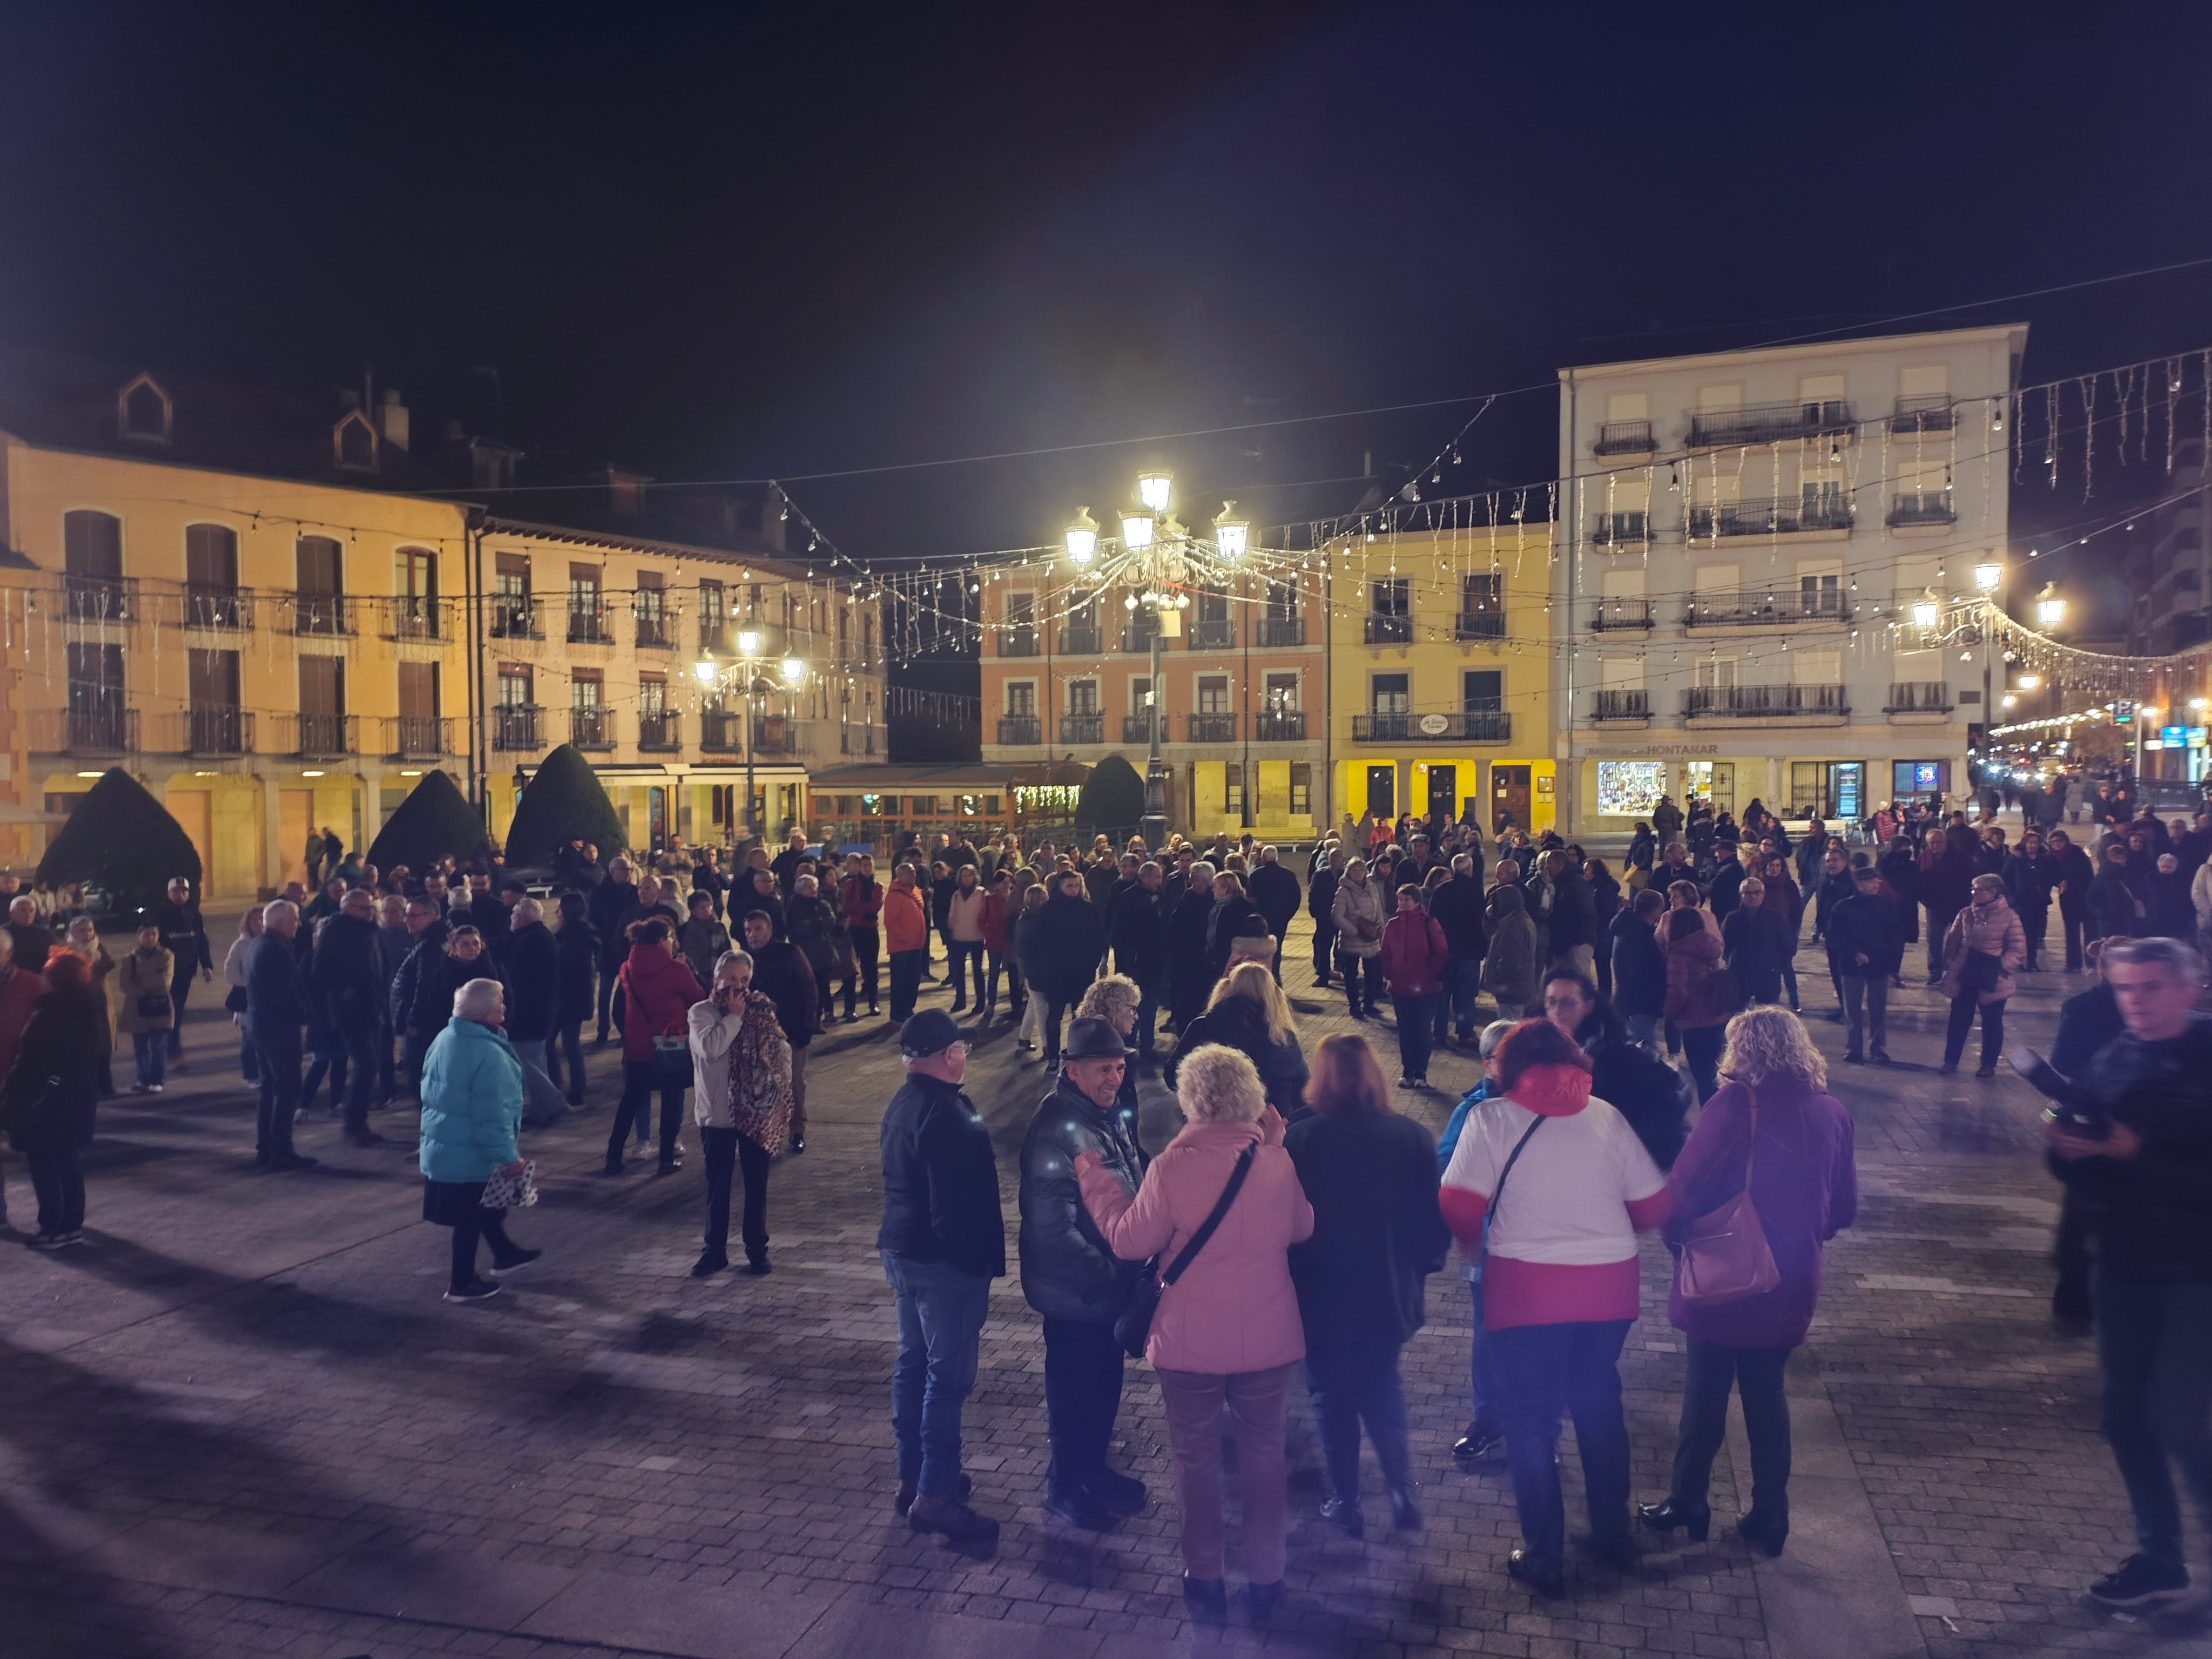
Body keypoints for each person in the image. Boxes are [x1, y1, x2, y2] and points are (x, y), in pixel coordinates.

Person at [1076, 1046, 1313, 1623]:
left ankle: (1204, 1578)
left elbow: (1131, 1242)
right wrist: (1275, 1151)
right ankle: (1266, 1577)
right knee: (1263, 1456)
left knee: (1196, 1460)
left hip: (1188, 1343)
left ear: (1190, 1100)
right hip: (1266, 1337)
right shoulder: (1276, 1163)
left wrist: (1095, 1183)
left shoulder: (1171, 1168)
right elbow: (1302, 1227)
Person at [1438, 1018, 1670, 1599]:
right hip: (1606, 1288)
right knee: (1597, 1404)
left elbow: (1459, 1203)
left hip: (1525, 1290)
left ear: (1506, 1067)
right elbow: (1650, 1207)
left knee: (1530, 1422)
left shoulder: (1489, 1120)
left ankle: (1544, 1555)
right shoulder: (1607, 1117)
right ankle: (1612, 1534)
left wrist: (1474, 1239)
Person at [1636, 1007, 1856, 1557]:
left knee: (1705, 1393)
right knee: (1767, 1396)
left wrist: (1679, 1239)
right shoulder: (1833, 1112)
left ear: (1744, 1051)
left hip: (1727, 1273)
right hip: (1790, 1277)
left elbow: (1683, 1187)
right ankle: (1769, 1515)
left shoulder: (1734, 1103)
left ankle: (1688, 1502)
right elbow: (1843, 1208)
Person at [2044, 938, 2212, 1610]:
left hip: (2194, 1270)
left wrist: (2133, 1151)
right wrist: (2067, 1144)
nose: (2134, 1001)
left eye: (2148, 987)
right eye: (2124, 988)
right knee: (2122, 1415)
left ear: (2189, 988)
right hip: (2120, 1260)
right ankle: (2159, 1557)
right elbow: (2079, 1157)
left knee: (2178, 1416)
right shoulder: (2115, 1055)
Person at [1286, 1033, 1449, 1539]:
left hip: (1321, 1296)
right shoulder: (1412, 1136)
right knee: (1383, 1390)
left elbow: (1285, 1222)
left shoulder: (1301, 1139)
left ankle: (1347, 1500)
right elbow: (1433, 1221)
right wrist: (1421, 1268)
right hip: (1386, 1291)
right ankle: (1400, 1488)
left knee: (1330, 1397)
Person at [879, 1008, 1005, 1546]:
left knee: (912, 1364)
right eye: (961, 1047)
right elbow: (953, 1206)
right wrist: (972, 1262)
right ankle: (936, 1497)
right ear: (949, 1054)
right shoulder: (949, 1114)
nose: (965, 1055)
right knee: (946, 1380)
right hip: (941, 1265)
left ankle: (915, 1477)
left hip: (903, 1252)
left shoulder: (903, 1102)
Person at [1017, 1016, 1148, 1530]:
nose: (1114, 1078)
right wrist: (1112, 1275)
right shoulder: (1059, 1130)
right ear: (1072, 1071)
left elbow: (1132, 1182)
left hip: (1106, 1291)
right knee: (1075, 1394)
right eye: (1102, 1069)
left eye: (1118, 1067)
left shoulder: (1104, 1115)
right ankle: (1066, 1487)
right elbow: (1053, 1234)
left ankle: (1093, 1472)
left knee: (1103, 1385)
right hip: (1078, 1296)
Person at [417, 976, 541, 1303]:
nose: (504, 1007)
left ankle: (505, 1253)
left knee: (478, 1208)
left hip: (445, 1145)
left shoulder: (445, 1038)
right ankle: (462, 1283)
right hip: (470, 1152)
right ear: (488, 1014)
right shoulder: (489, 1055)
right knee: (469, 1219)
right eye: (500, 1002)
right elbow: (492, 1117)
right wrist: (508, 1158)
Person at [687, 949, 792, 1278]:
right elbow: (711, 1048)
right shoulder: (701, 1012)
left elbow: (780, 1048)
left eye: (744, 980)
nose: (738, 986)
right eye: (731, 978)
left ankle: (757, 1250)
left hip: (755, 1111)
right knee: (718, 1186)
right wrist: (733, 1016)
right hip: (717, 1115)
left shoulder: (760, 1009)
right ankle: (714, 1251)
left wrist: (779, 1076)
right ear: (717, 977)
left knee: (756, 1184)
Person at [3, 947, 103, 1246]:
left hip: (46, 1100)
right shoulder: (87, 1008)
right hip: (76, 1097)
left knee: (43, 1162)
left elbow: (32, 1058)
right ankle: (72, 1225)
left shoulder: (50, 1011)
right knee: (68, 1161)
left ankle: (52, 1226)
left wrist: (16, 1095)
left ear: (55, 979)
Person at [601, 916, 705, 1176]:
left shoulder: (627, 968)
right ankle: (666, 1159)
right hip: (670, 1043)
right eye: (671, 939)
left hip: (637, 1045)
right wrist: (686, 970)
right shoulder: (676, 970)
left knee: (631, 1100)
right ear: (662, 940)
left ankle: (614, 1157)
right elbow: (699, 998)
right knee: (671, 1101)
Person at [1169, 960, 1309, 1122]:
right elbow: (1302, 1086)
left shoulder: (1202, 1026)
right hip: (1269, 1124)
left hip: (1210, 1122)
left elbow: (1173, 1073)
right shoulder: (1282, 1036)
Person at [246, 901, 317, 1170]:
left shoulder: (260, 944)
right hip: (278, 1029)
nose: (298, 925)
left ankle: (266, 1148)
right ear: (280, 922)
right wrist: (304, 1015)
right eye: (296, 920)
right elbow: (285, 993)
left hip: (261, 1026)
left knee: (269, 1088)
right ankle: (281, 1150)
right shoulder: (276, 949)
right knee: (287, 1088)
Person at [1938, 873, 2027, 1078]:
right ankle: (1951, 1060)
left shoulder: (2009, 917)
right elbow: (1953, 940)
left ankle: (1989, 1064)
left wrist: (2001, 966)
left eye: (1980, 889)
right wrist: (1950, 962)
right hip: (1965, 973)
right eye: (1973, 889)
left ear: (1994, 892)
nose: (1974, 893)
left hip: (1993, 977)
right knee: (1959, 1019)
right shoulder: (1966, 914)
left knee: (1992, 1021)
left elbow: (2018, 948)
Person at [1827, 865, 1904, 1065]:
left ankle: (1878, 1048)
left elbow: (1895, 936)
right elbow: (1835, 937)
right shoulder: (1843, 907)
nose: (1875, 885)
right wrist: (1854, 953)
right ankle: (1854, 1048)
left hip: (1879, 965)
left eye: (1876, 881)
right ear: (1859, 885)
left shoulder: (1886, 906)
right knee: (1852, 1009)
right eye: (1870, 882)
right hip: (1852, 965)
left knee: (1878, 1009)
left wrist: (1890, 965)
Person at [1028, 872, 1105, 1069]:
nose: (1073, 890)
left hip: (1082, 972)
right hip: (1056, 974)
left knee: (1080, 1017)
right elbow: (1039, 942)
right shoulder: (1049, 910)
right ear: (1060, 886)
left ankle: (1077, 1054)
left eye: (1076, 886)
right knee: (1054, 1017)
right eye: (1069, 886)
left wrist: (1093, 963)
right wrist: (1045, 967)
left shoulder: (1087, 909)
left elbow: (1098, 938)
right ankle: (1053, 1057)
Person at [1376, 884, 1449, 1089]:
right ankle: (1408, 1070)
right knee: (1406, 1030)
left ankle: (1421, 1071)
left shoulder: (1429, 923)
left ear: (1417, 902)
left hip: (1426, 989)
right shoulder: (1393, 925)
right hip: (1400, 988)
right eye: (1400, 899)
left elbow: (1441, 952)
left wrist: (1429, 975)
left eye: (1407, 899)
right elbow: (1385, 953)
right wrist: (1390, 974)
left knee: (1423, 1029)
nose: (1403, 903)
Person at [1662, 906, 1734, 1102]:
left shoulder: (1679, 954)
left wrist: (1669, 1014)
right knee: (1714, 1071)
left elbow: (1678, 993)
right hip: (1717, 1016)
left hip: (1695, 1021)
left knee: (1702, 1077)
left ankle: (1710, 1117)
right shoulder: (1709, 947)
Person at [149, 876, 214, 1068]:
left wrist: (206, 965)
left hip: (187, 970)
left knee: (176, 1011)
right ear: (168, 893)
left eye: (184, 891)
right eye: (176, 891)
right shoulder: (160, 914)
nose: (180, 895)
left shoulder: (194, 913)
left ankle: (169, 1050)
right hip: (166, 972)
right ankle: (172, 1052)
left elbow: (202, 940)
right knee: (171, 1012)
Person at [547, 892, 597, 1105]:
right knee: (563, 1044)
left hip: (567, 999)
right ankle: (567, 1086)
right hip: (571, 998)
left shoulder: (573, 937)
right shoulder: (579, 934)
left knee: (562, 1044)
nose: (556, 913)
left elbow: (567, 968)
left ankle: (569, 1088)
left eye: (559, 908)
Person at [115, 918, 175, 1093]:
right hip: (136, 1008)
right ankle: (142, 1079)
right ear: (138, 936)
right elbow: (124, 984)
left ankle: (157, 1080)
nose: (151, 938)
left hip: (160, 1007)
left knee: (159, 1047)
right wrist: (148, 983)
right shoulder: (130, 959)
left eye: (154, 934)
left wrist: (139, 981)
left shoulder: (166, 955)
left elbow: (164, 981)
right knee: (140, 1047)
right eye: (146, 934)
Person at [1609, 887, 1668, 1053]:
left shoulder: (1628, 928)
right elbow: (1639, 974)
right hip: (1639, 1005)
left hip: (1629, 1002)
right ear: (1656, 910)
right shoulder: (1638, 936)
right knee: (1647, 1052)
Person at [1720, 877, 1792, 1007]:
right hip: (1739, 974)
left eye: (1757, 892)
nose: (1753, 896)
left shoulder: (1776, 918)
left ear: (1763, 895)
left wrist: (1774, 965)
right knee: (1737, 1015)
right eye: (1748, 893)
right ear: (1741, 896)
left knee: (1768, 1017)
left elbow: (1787, 948)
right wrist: (1734, 960)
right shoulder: (1732, 919)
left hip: (1767, 976)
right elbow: (1724, 945)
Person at [589, 857, 639, 1042]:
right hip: (608, 947)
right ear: (613, 872)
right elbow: (593, 919)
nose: (628, 873)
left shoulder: (633, 892)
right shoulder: (600, 893)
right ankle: (603, 1029)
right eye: (625, 869)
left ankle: (624, 1029)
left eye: (629, 870)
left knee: (627, 992)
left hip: (629, 947)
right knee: (605, 990)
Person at [1331, 856, 1387, 1020]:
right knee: (1351, 974)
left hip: (1371, 938)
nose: (1358, 873)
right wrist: (1353, 931)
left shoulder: (1371, 888)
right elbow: (1337, 916)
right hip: (1353, 940)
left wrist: (1381, 929)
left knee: (1371, 973)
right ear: (1348, 872)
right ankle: (1354, 1005)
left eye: (1361, 870)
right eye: (1354, 870)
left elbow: (1378, 910)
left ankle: (1369, 1004)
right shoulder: (1343, 891)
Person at [883, 864, 930, 1022]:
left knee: (913, 980)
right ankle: (897, 1012)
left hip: (916, 945)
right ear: (899, 876)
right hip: (901, 948)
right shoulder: (894, 895)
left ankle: (908, 1008)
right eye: (908, 873)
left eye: (913, 872)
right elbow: (890, 922)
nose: (912, 875)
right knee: (900, 982)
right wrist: (906, 937)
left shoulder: (915, 891)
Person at [841, 855, 884, 1019]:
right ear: (859, 867)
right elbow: (849, 905)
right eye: (864, 865)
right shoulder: (850, 885)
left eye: (870, 865)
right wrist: (865, 912)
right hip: (854, 930)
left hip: (870, 931)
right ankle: (849, 1008)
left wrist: (861, 909)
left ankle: (874, 1004)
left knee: (871, 969)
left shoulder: (878, 886)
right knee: (851, 970)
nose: (867, 868)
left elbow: (877, 905)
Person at [679, 889, 731, 986]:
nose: (707, 910)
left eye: (709, 906)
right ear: (693, 910)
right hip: (690, 977)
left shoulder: (718, 928)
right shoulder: (684, 930)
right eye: (702, 907)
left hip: (714, 977)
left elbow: (726, 953)